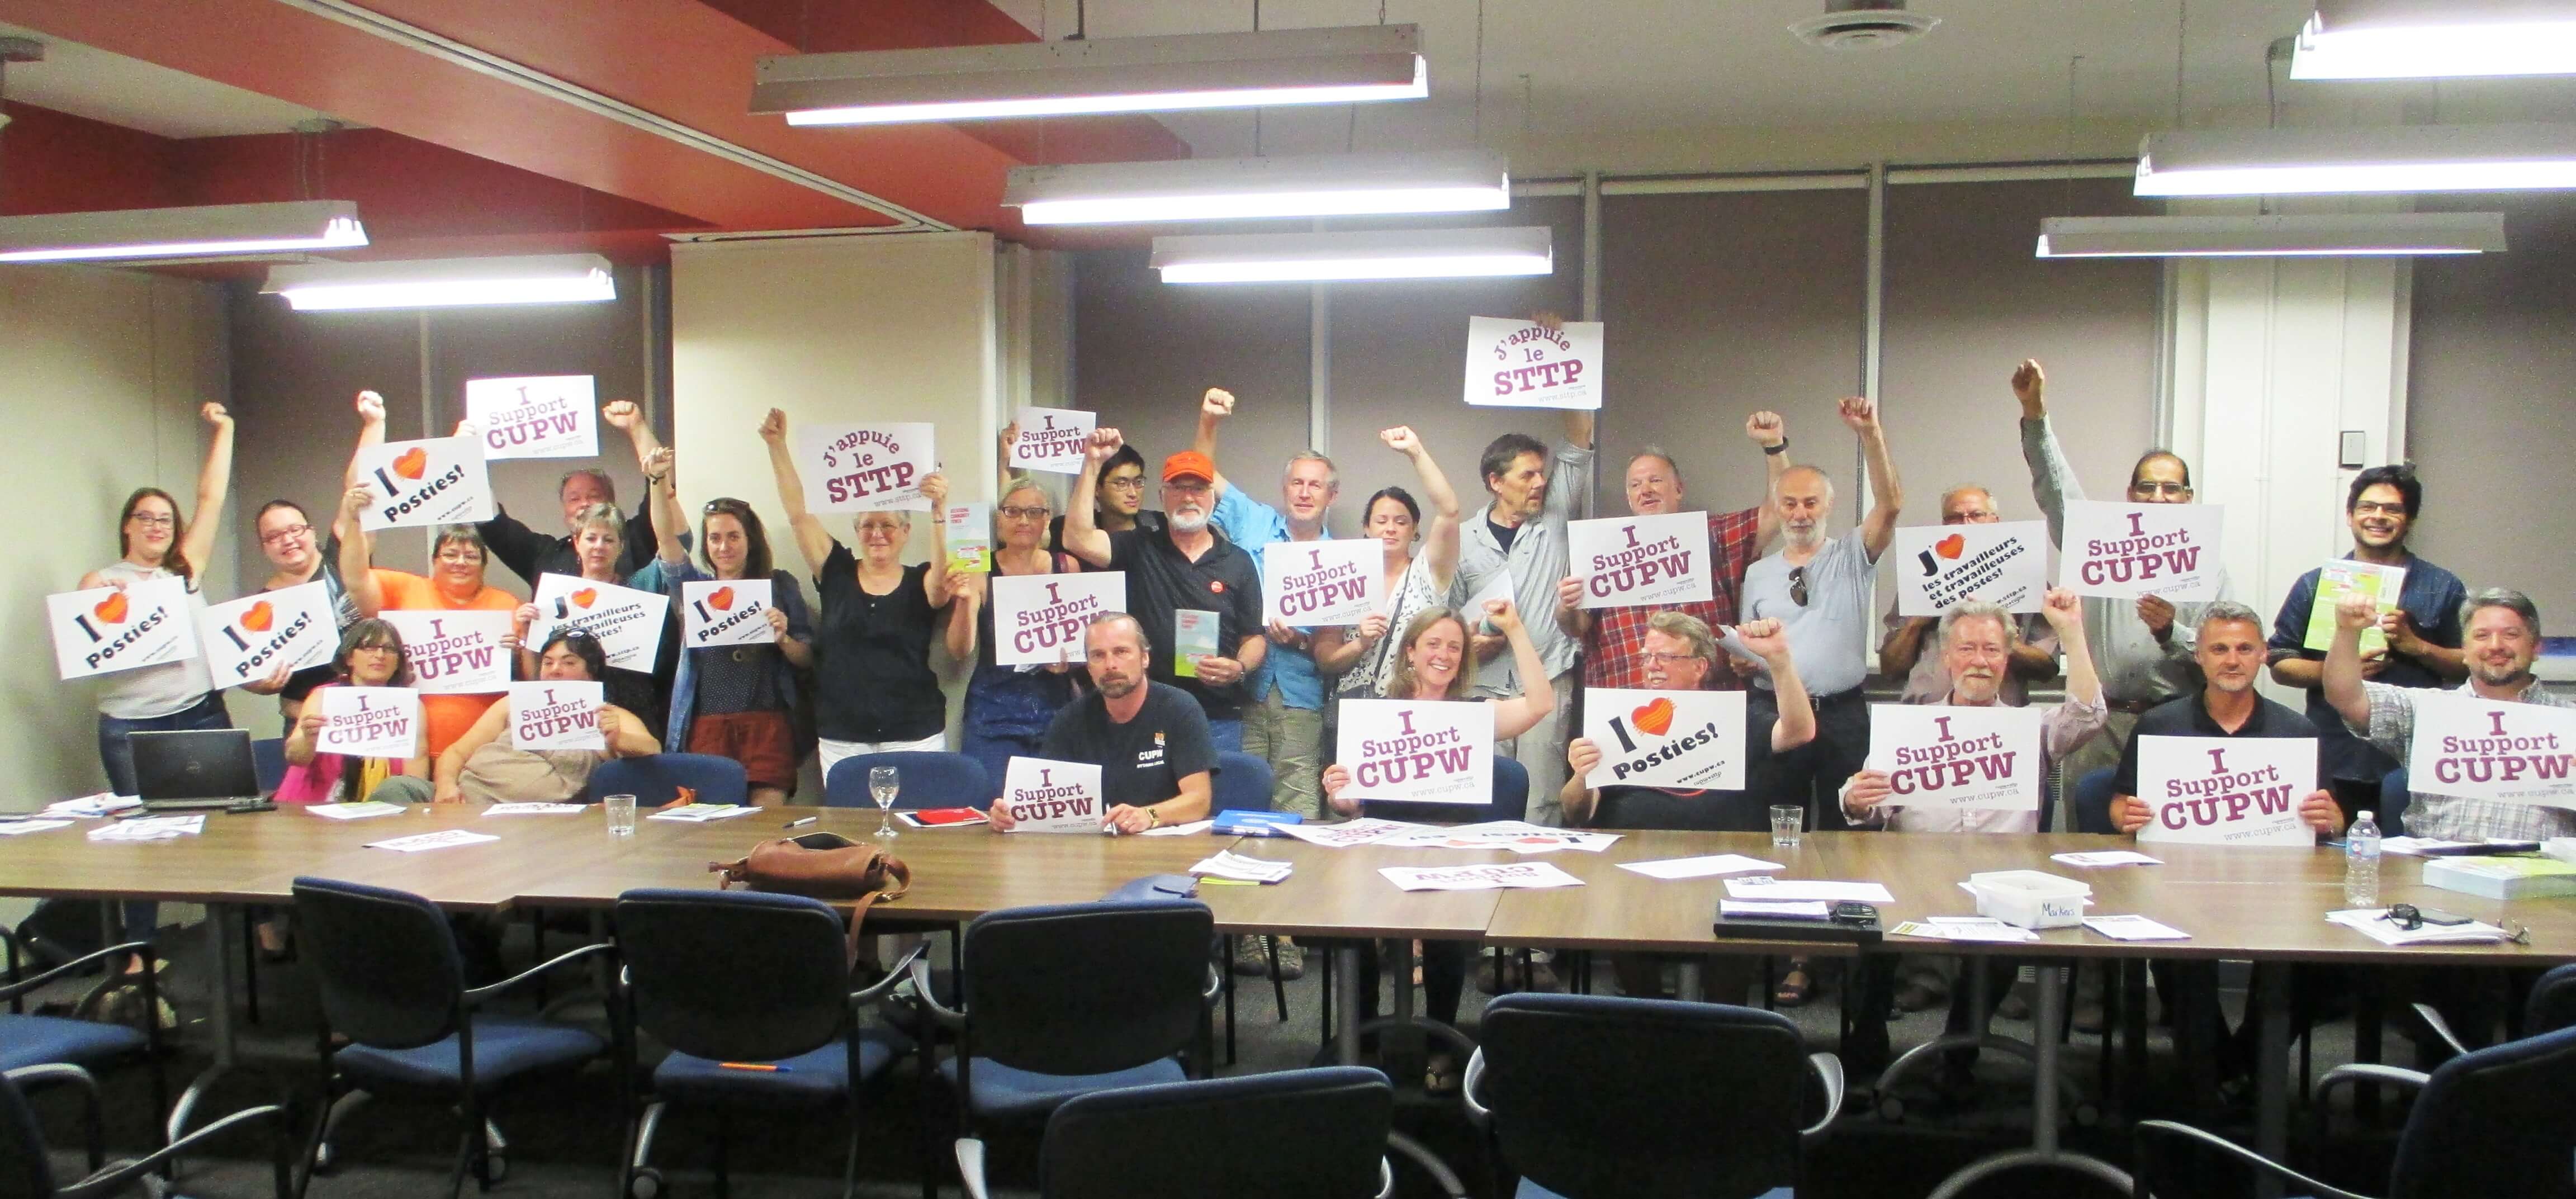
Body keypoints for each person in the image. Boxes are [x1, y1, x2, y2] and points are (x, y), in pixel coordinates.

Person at [1838, 593, 2107, 1065]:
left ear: (2007, 659)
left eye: (1991, 650)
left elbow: (2087, 715)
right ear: (1946, 657)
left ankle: (1960, 1055)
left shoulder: (2034, 729)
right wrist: (1856, 798)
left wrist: (2070, 631)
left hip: (1999, 882)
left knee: (1999, 951)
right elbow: (1868, 806)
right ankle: (1866, 1050)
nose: (1979, 661)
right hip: (1911, 873)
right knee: (1867, 932)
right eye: (1967, 649)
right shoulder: (1909, 727)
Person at [1317, 598, 1554, 1085]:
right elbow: (1352, 804)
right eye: (1432, 644)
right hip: (1379, 851)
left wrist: (1513, 628)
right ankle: (1361, 1039)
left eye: (1454, 646)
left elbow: (1540, 704)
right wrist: (1341, 797)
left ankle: (1442, 1040)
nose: (1443, 654)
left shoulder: (1473, 716)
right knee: (1350, 927)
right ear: (1409, 652)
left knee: (1446, 933)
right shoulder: (1374, 715)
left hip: (1450, 857)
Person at [1728, 394, 1899, 1009]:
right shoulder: (1758, 574)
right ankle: (1789, 953)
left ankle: (1852, 957)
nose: (1799, 512)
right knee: (1778, 836)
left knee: (1849, 836)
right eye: (1789, 503)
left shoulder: (1853, 555)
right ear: (1778, 508)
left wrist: (1871, 434)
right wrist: (1740, 652)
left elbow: (1892, 503)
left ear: (1829, 507)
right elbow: (1750, 646)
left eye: (1811, 503)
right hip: (1774, 717)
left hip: (1845, 714)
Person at [2018, 358, 2235, 809]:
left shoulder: (2208, 568)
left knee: (2167, 844)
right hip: (2103, 722)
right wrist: (2035, 415)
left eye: (2171, 488)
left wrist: (2172, 632)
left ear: (2189, 498)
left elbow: (2228, 654)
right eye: (2147, 487)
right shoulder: (2100, 541)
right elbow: (2057, 491)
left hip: (2178, 720)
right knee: (2087, 839)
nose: (2159, 497)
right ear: (2130, 495)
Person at [1561, 612, 1808, 1004]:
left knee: (1729, 975)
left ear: (1699, 667)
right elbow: (1575, 811)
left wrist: (1779, 662)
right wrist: (1580, 775)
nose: (1652, 666)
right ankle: (1646, 1026)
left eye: (1665, 657)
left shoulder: (1733, 717)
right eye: (1646, 657)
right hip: (1634, 873)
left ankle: (1724, 1031)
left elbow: (1798, 731)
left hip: (1727, 867)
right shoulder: (1615, 720)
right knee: (1627, 946)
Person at [79, 401, 235, 971]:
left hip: (198, 713)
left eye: (165, 519)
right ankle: (136, 955)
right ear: (127, 524)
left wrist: (226, 430)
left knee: (225, 828)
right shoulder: (101, 582)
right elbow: (92, 646)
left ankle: (234, 948)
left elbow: (211, 499)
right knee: (140, 840)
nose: (156, 526)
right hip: (130, 724)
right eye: (145, 517)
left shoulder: (184, 570)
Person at [759, 409, 960, 778]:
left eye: (888, 525)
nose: (877, 533)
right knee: (850, 832)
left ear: (905, 532)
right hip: (843, 736)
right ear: (857, 532)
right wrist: (777, 446)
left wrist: (939, 510)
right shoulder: (836, 571)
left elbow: (944, 579)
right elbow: (799, 514)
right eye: (867, 525)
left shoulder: (922, 581)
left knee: (916, 832)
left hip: (914, 734)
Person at [2269, 465, 2468, 816]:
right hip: (2335, 754)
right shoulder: (2315, 584)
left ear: (2410, 520)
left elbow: (2470, 665)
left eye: (2392, 509)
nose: (2379, 516)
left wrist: (2418, 646)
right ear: (2350, 516)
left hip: (2415, 758)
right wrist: (2341, 672)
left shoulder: (2442, 585)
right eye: (2368, 507)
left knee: (2409, 862)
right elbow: (2280, 664)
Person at [1059, 428, 1266, 747]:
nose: (1188, 497)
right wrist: (1092, 464)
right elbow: (1077, 539)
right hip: (1146, 712)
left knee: (1214, 797)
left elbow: (1254, 638)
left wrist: (1238, 668)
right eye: (1178, 488)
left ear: (1212, 497)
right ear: (1162, 496)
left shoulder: (1237, 561)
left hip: (1218, 718)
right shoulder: (1138, 546)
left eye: (1198, 489)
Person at [1555, 415, 1789, 692]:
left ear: (1679, 489)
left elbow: (1778, 512)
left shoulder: (1710, 534)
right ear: (1629, 498)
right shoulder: (1600, 546)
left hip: (1710, 699)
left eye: (1655, 480)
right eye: (1635, 485)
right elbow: (1575, 627)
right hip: (1624, 698)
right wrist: (1567, 606)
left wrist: (1774, 447)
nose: (1646, 491)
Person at [2324, 587, 2575, 843]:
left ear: (2535, 648)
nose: (2496, 646)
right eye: (2482, 636)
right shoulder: (2429, 709)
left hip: (2538, 877)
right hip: (2434, 872)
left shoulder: (2569, 721)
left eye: (2511, 635)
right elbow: (2346, 697)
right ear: (2464, 650)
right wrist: (2347, 631)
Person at [1192, 386, 1339, 818]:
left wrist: (1297, 640)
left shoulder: (1341, 560)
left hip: (1301, 693)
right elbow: (1202, 477)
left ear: (1333, 494)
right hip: (1242, 688)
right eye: (1297, 482)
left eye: (1316, 485)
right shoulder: (1252, 519)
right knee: (1243, 796)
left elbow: (1333, 652)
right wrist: (1208, 421)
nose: (1305, 492)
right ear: (1285, 488)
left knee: (1299, 800)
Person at [643, 451, 816, 807]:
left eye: (734, 536)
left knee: (765, 826)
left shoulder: (779, 585)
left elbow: (807, 658)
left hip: (768, 724)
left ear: (749, 539)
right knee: (712, 827)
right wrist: (658, 483)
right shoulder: (693, 588)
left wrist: (782, 639)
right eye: (715, 538)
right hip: (708, 724)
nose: (724, 547)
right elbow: (666, 540)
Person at [1456, 405, 1596, 827]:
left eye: (1541, 473)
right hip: (1483, 687)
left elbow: (1579, 440)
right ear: (1495, 483)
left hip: (1547, 679)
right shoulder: (1464, 539)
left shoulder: (1554, 515)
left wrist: (1568, 354)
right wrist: (1470, 643)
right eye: (1527, 475)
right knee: (1482, 799)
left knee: (1541, 801)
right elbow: (1447, 621)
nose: (1540, 482)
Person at [984, 613, 1216, 834]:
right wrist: (1011, 815)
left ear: (1145, 658)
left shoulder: (1180, 709)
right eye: (1098, 655)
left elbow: (1199, 800)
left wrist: (1150, 815)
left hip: (1165, 847)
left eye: (1121, 652)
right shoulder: (1069, 720)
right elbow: (1046, 803)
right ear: (1088, 666)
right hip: (1093, 850)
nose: (1110, 665)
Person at [242, 391, 387, 721]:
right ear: (264, 547)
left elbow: (360, 488)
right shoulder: (260, 609)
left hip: (371, 711)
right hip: (307, 721)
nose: (288, 540)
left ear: (311, 532)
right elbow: (244, 673)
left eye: (295, 530)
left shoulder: (343, 556)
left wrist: (374, 423)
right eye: (275, 536)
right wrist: (260, 686)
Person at [343, 503, 529, 760]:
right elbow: (355, 579)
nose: (460, 563)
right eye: (450, 555)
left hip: (485, 752)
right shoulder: (406, 589)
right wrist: (354, 523)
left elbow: (530, 678)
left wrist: (519, 651)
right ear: (434, 561)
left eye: (472, 556)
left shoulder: (506, 604)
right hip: (407, 746)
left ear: (484, 565)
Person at [1313, 426, 1466, 707]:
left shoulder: (1428, 572)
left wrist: (1415, 452)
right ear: (1367, 528)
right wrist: (1360, 643)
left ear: (1415, 530)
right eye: (1381, 521)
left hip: (1416, 708)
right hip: (1354, 710)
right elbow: (1325, 658)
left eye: (1401, 521)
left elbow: (1449, 510)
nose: (1391, 529)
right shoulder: (1343, 576)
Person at [948, 475, 1081, 797]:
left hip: (1057, 714)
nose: (1024, 520)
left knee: (1055, 818)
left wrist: (1069, 663)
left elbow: (1084, 643)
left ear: (1048, 519)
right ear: (999, 519)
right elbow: (958, 650)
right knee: (994, 814)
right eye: (1013, 511)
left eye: (1035, 512)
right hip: (994, 716)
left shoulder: (1067, 566)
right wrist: (965, 601)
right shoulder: (979, 570)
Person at [1876, 485, 2062, 705]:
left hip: (2000, 720)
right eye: (1954, 517)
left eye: (1976, 515)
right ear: (1944, 525)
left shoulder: (2028, 583)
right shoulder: (1921, 583)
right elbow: (1890, 669)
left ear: (1995, 521)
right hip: (1923, 717)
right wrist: (1915, 625)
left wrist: (1997, 639)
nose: (1966, 524)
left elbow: (2047, 668)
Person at [434, 630, 661, 804]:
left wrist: (617, 738)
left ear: (591, 672)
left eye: (569, 662)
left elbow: (652, 748)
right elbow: (456, 752)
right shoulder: (512, 703)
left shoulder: (611, 714)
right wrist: (445, 787)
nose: (555, 670)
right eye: (548, 662)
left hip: (538, 825)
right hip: (467, 799)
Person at [474, 399, 666, 586]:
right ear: (564, 509)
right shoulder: (543, 555)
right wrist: (465, 455)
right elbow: (492, 524)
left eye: (594, 496)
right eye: (574, 498)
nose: (584, 503)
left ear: (611, 503)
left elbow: (661, 484)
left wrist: (637, 427)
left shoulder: (636, 539)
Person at [276, 619, 432, 807]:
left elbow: (413, 782)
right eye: (368, 647)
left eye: (389, 649)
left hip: (384, 812)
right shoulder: (323, 696)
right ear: (349, 658)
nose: (380, 655)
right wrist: (309, 740)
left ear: (398, 661)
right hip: (311, 809)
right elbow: (295, 757)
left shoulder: (412, 706)